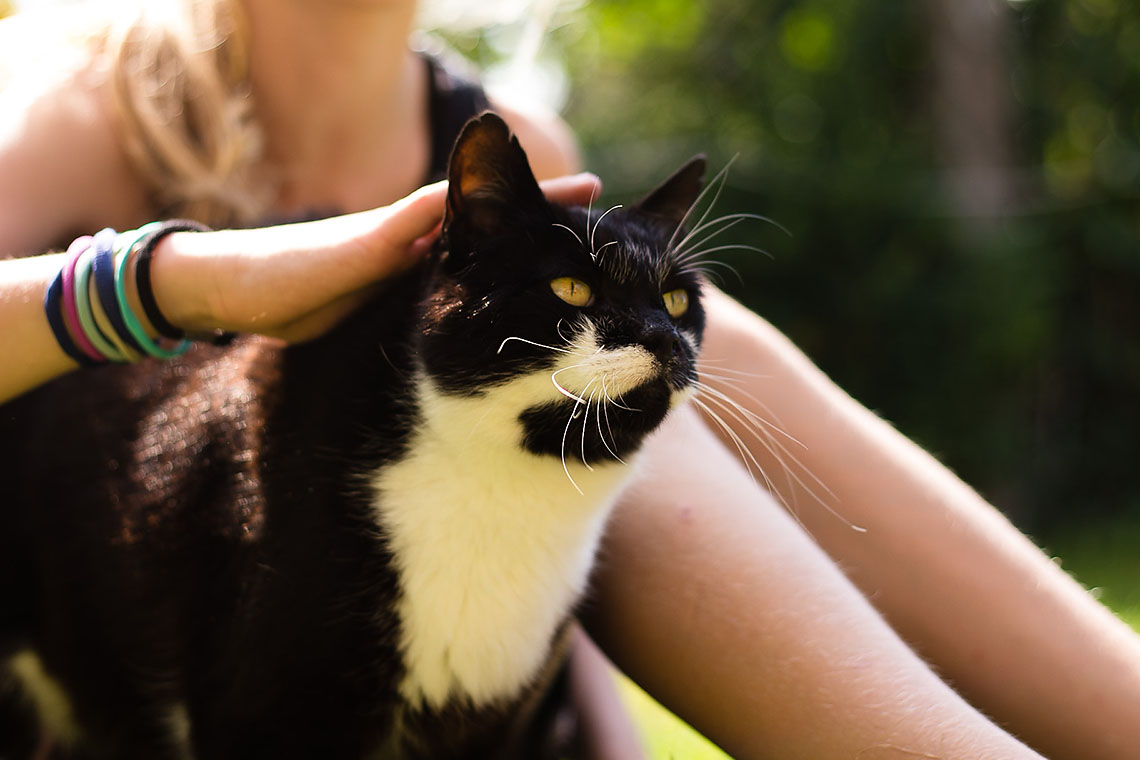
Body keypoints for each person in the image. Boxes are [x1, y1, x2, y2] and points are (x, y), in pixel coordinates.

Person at [1, 1, 1138, 758]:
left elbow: (568, 554)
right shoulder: (73, 113)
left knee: (685, 355)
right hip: (96, 657)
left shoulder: (509, 132)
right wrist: (175, 282)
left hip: (478, 684)